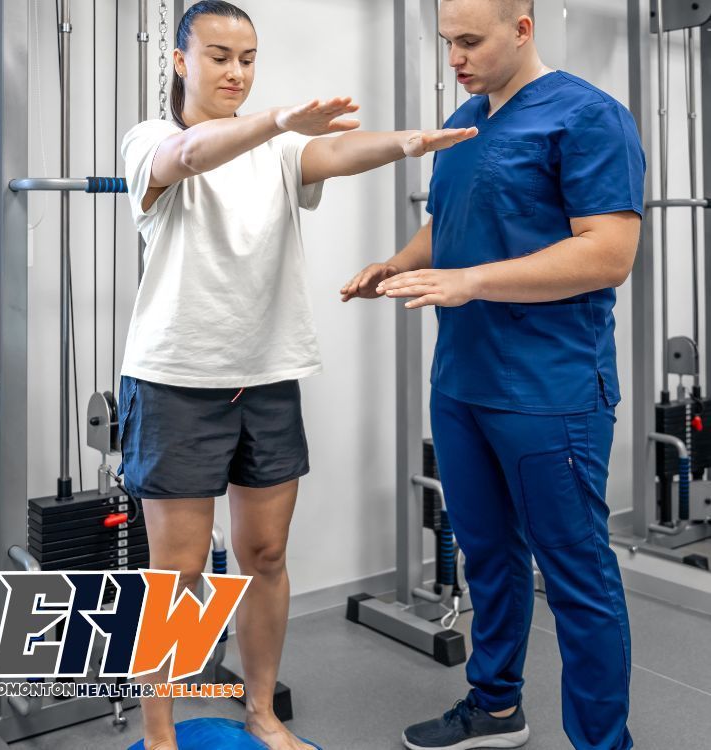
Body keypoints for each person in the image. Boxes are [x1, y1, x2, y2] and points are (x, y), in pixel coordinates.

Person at [118, 2, 477, 749]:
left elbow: (338, 154)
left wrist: (412, 141)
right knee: (176, 575)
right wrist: (280, 119)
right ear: (180, 61)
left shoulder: (277, 150)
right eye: (218, 56)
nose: (235, 72)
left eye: (247, 59)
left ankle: (261, 711)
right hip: (178, 381)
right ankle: (159, 737)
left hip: (269, 376)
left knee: (266, 556)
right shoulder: (153, 139)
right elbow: (189, 160)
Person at [342, 1, 645, 749]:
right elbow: (453, 217)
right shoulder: (469, 119)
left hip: (549, 390)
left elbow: (609, 252)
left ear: (523, 28)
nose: (457, 57)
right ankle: (497, 706)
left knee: (576, 574)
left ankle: (604, 743)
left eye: (471, 41)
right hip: (463, 383)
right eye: (449, 42)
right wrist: (400, 263)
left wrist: (472, 280)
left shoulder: (588, 116)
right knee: (486, 556)